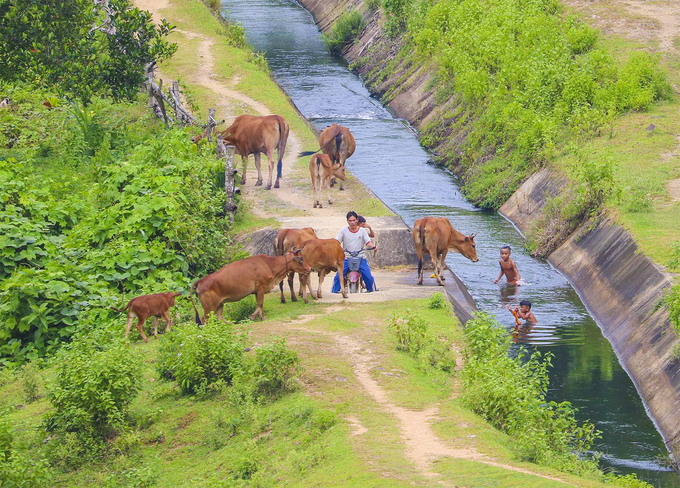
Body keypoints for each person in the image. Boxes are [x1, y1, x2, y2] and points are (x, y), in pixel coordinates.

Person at [332, 211, 377, 293]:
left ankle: (371, 291)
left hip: (360, 257)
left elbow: (368, 242)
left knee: (368, 276)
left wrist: (372, 246)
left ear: (357, 220)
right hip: (346, 257)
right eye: (350, 221)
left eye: (353, 220)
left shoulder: (362, 231)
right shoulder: (343, 231)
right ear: (347, 221)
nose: (352, 222)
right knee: (338, 276)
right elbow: (336, 242)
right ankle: (334, 292)